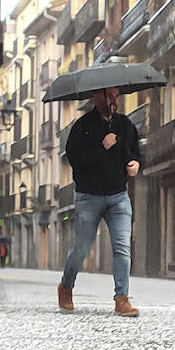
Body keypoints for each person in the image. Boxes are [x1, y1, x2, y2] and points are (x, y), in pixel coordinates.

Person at [59, 86, 141, 317]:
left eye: (117, 96)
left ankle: (122, 299)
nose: (114, 100)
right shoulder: (82, 127)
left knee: (122, 247)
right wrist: (101, 147)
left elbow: (134, 152)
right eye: (109, 96)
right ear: (97, 97)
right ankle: (66, 287)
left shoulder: (125, 125)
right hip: (89, 196)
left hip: (119, 196)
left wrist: (135, 164)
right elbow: (76, 161)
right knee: (82, 248)